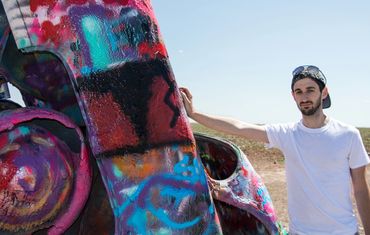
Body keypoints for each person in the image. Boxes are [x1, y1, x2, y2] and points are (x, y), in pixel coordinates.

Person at [179, 65, 370, 235]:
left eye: (310, 90)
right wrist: (195, 114)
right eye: (299, 91)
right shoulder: (287, 134)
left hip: (343, 230)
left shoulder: (348, 135)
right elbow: (239, 127)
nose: (304, 97)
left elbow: (361, 188)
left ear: (324, 92)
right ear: (293, 96)